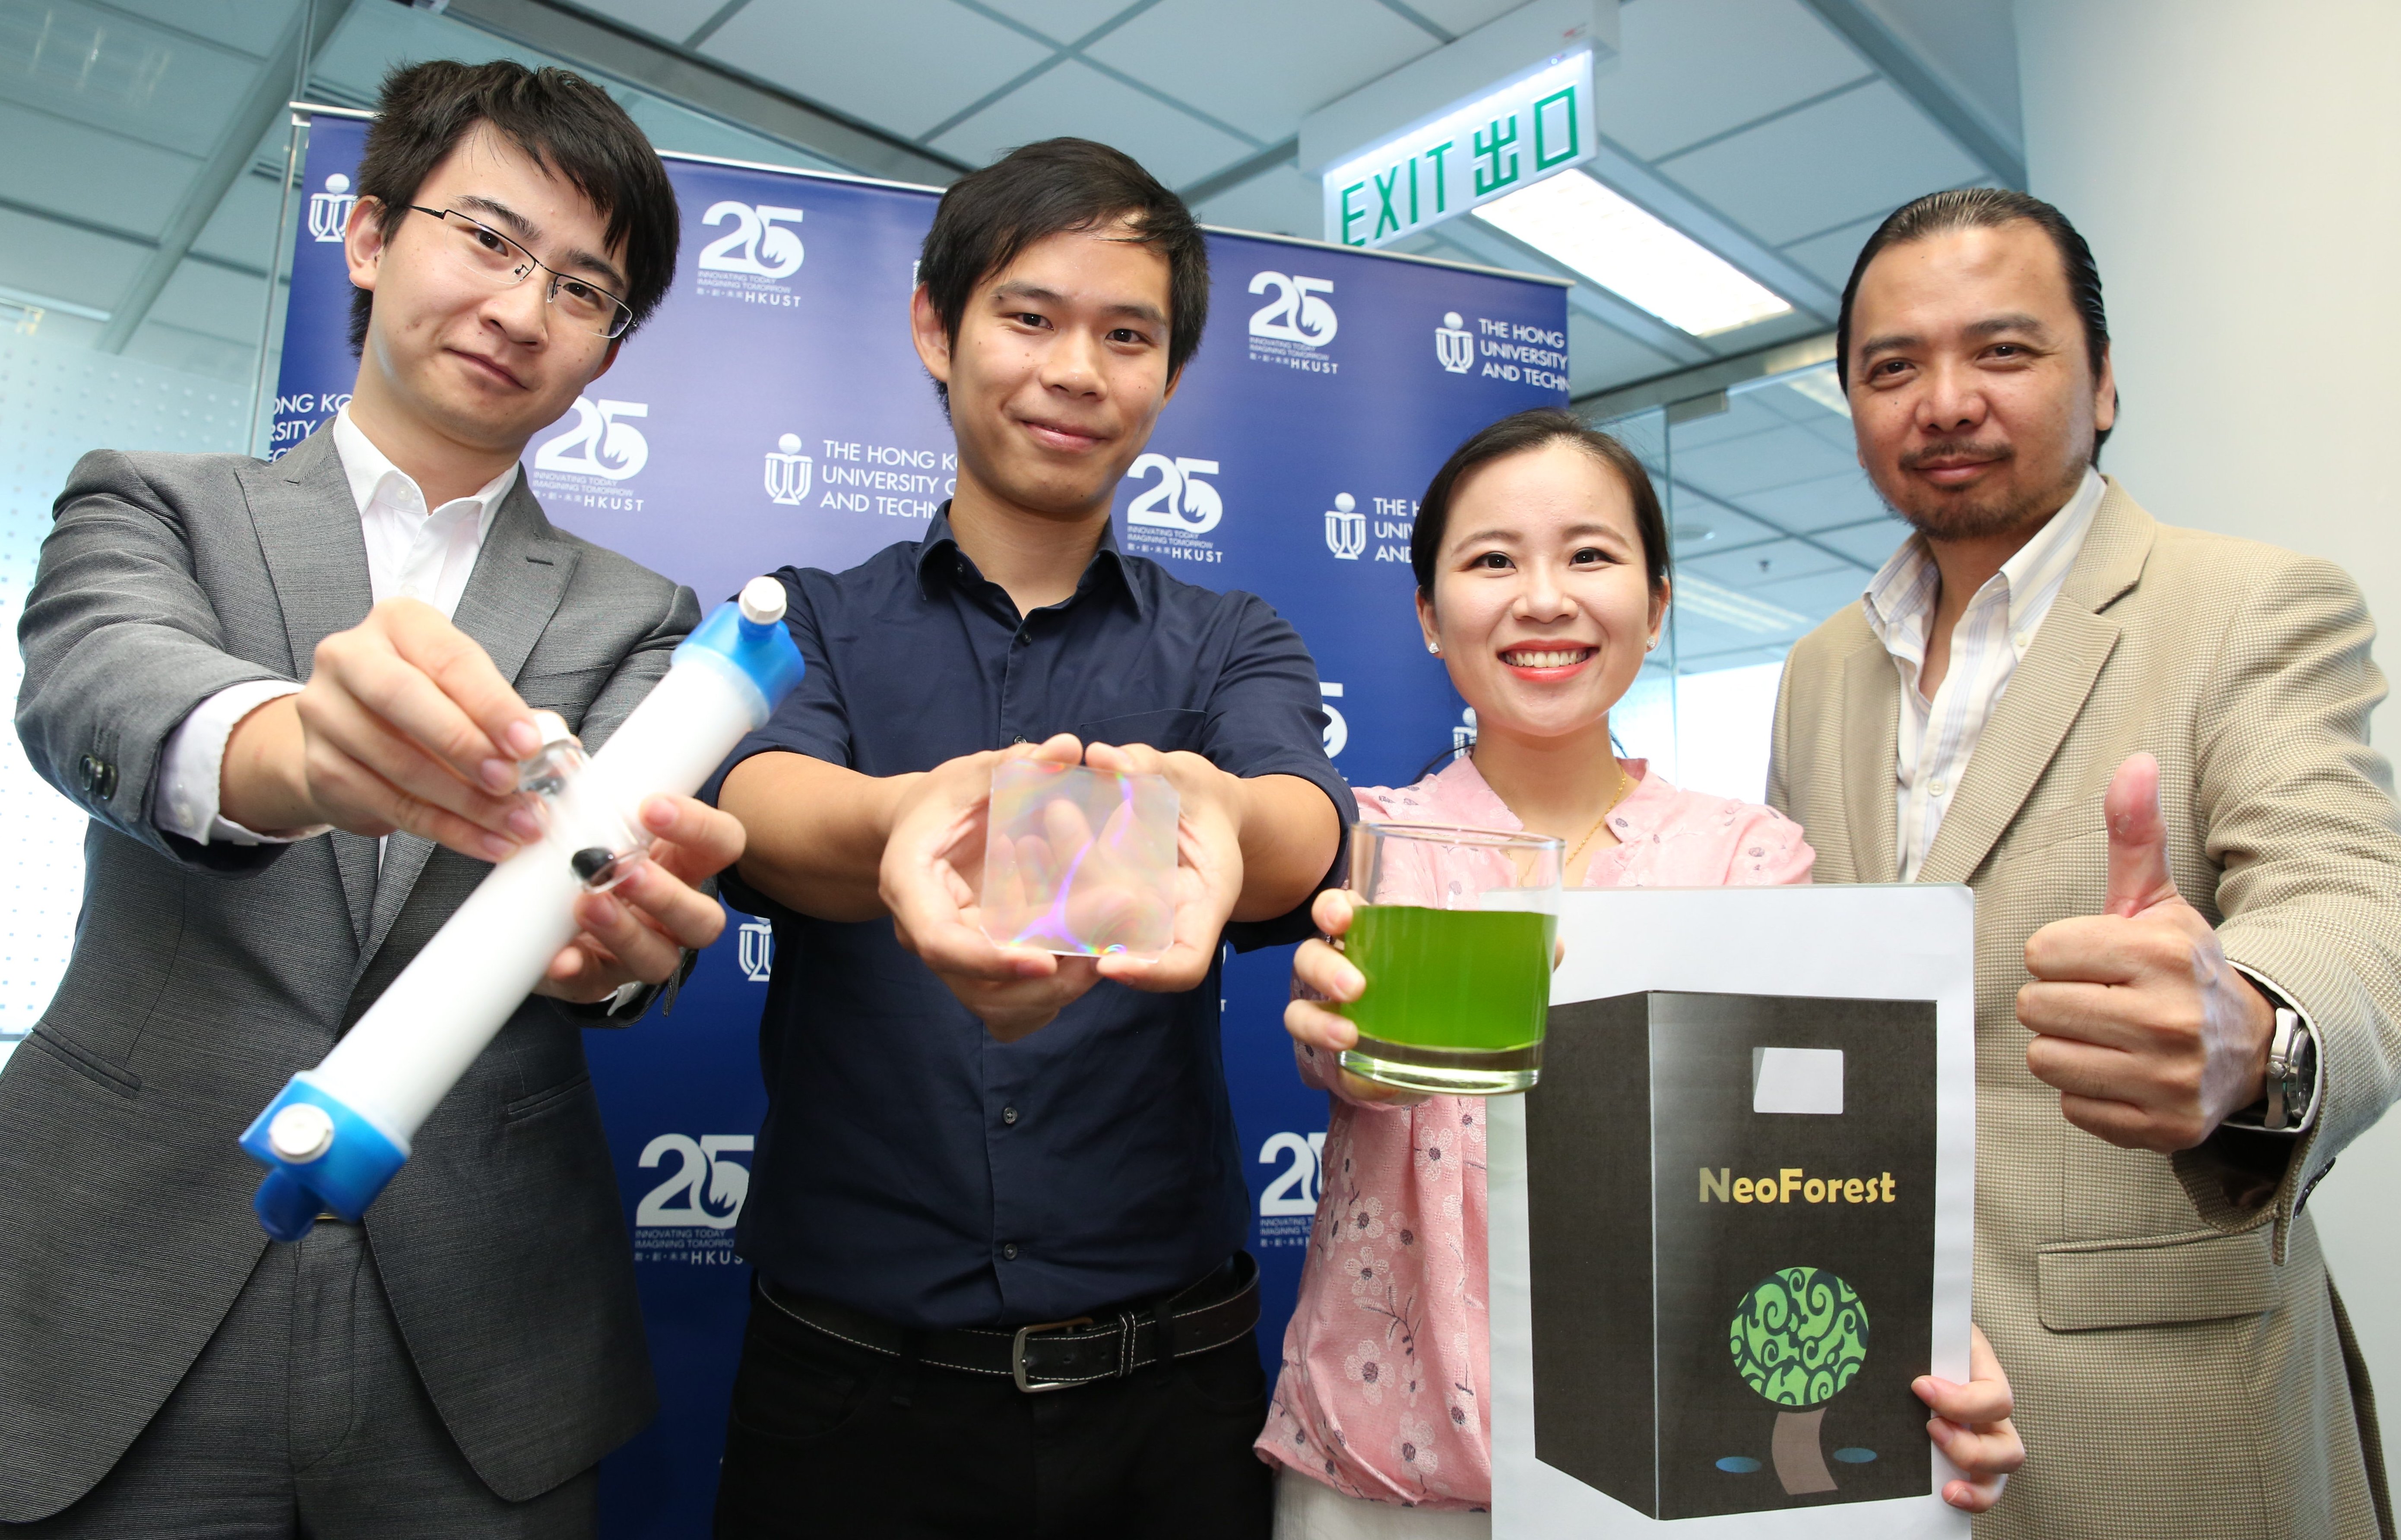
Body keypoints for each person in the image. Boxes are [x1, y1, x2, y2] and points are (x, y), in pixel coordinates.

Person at [0, 61, 743, 1537]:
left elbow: (606, 889)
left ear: (607, 350)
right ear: (367, 233)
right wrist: (296, 753)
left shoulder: (646, 617)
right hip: (120, 1286)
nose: (524, 310)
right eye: (489, 238)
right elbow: (99, 682)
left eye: (585, 289)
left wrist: (609, 960)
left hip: (483, 1328)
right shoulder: (156, 500)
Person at [704, 138, 1351, 1538]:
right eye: (1031, 316)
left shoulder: (1234, 637)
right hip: (847, 1407)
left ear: (1169, 378)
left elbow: (1301, 820)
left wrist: (1219, 823)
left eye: (1128, 335)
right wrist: (898, 825)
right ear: (937, 327)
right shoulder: (803, 618)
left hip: (1170, 1409)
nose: (1076, 370)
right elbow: (756, 801)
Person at [1266, 408, 2026, 1535]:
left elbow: (1810, 1153)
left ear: (1658, 602)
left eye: (1589, 555)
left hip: (1659, 1464)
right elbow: (1339, 1053)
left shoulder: (1747, 855)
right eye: (1491, 561)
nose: (1543, 597)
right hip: (1385, 1467)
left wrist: (1923, 1326)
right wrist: (1347, 1054)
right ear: (1429, 615)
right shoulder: (1369, 842)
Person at [1769, 187, 2401, 1538]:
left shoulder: (2245, 605)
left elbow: (2354, 900)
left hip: (2161, 1404)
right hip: (1879, 1401)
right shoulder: (1820, 669)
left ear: (2103, 383)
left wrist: (2259, 1035)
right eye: (1893, 368)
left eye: (2004, 351)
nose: (1943, 401)